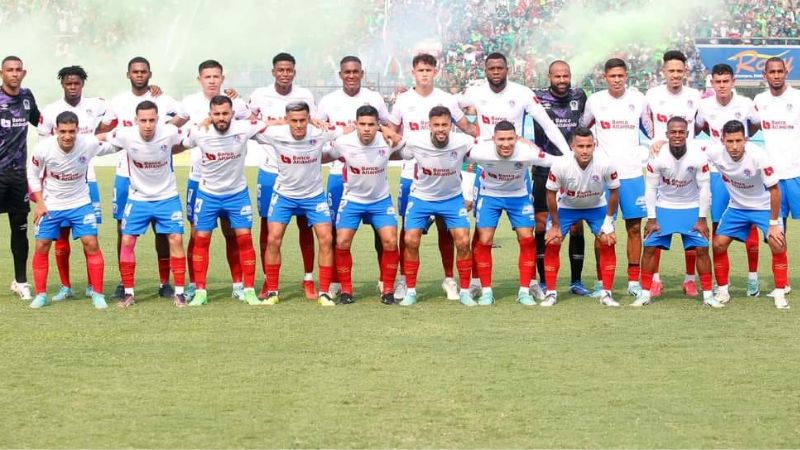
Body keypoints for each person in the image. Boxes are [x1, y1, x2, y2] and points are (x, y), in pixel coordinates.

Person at [461, 53, 571, 297]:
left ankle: (529, 282)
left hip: (518, 168)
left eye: (500, 68)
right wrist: (470, 132)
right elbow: (449, 108)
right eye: (492, 68)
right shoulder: (475, 92)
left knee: (526, 234)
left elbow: (547, 124)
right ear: (485, 70)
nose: (496, 72)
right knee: (482, 232)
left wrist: (568, 154)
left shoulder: (521, 93)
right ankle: (478, 281)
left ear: (507, 69)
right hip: (487, 168)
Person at [388, 53, 477, 302]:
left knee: (446, 230)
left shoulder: (447, 100)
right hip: (411, 175)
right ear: (413, 72)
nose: (425, 74)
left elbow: (466, 129)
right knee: (408, 231)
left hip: (446, 173)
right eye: (420, 70)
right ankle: (405, 281)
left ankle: (450, 279)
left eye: (429, 70)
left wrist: (487, 136)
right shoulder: (403, 100)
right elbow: (393, 134)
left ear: (435, 72)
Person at [98, 56, 188, 300]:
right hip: (125, 174)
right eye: (135, 72)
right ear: (128, 75)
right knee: (123, 229)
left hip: (158, 172)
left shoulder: (162, 98)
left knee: (163, 231)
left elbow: (184, 115)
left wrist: (164, 131)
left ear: (150, 73)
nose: (139, 75)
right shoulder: (118, 101)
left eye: (143, 71)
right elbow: (101, 132)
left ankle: (165, 282)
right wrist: (122, 139)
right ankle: (123, 282)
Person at [315, 55, 391, 295]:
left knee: (382, 233)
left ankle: (384, 280)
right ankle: (337, 282)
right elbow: (320, 130)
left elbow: (387, 127)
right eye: (346, 72)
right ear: (340, 74)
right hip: (339, 175)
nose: (351, 76)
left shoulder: (374, 98)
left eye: (355, 72)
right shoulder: (328, 101)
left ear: (362, 73)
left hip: (371, 173)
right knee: (339, 233)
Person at [27, 111, 116, 309]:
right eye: (63, 131)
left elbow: (113, 142)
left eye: (71, 131)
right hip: (51, 205)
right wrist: (40, 203)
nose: (67, 136)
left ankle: (98, 294)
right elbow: (32, 175)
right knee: (42, 245)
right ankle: (41, 295)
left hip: (80, 203)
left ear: (77, 130)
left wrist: (115, 135)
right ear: (56, 130)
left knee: (91, 244)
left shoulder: (88, 143)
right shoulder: (43, 148)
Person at [180, 96, 264, 306]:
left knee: (244, 238)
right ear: (210, 114)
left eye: (225, 113)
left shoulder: (244, 128)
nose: (221, 118)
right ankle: (200, 291)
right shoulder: (200, 131)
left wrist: (309, 121)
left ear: (232, 114)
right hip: (208, 195)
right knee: (201, 240)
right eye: (216, 114)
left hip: (237, 195)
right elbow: (183, 143)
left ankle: (246, 289)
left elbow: (271, 123)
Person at [248, 52, 318, 300]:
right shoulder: (259, 95)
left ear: (294, 72)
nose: (285, 74)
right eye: (280, 70)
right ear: (273, 72)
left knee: (305, 226)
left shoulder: (305, 96)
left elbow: (314, 124)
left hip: (301, 172)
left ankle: (308, 278)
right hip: (270, 170)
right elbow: (248, 120)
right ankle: (269, 280)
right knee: (268, 228)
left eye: (289, 70)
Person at [633, 117, 721, 308]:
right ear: (667, 134)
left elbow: (705, 189)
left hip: (691, 207)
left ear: (687, 134)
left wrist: (701, 218)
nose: (677, 135)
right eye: (673, 132)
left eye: (681, 132)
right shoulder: (657, 156)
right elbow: (650, 189)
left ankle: (707, 296)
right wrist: (651, 218)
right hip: (664, 207)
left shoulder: (698, 156)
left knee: (702, 249)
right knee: (649, 248)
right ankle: (645, 293)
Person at [469, 121, 560, 306]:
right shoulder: (480, 151)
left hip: (518, 197)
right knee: (484, 240)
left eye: (510, 139)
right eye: (501, 139)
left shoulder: (527, 151)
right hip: (490, 195)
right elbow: (453, 156)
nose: (506, 144)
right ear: (493, 139)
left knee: (527, 239)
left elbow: (554, 160)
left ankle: (524, 291)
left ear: (517, 138)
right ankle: (486, 291)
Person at [260, 102, 342, 306]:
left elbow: (351, 129)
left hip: (313, 197)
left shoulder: (319, 132)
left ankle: (324, 292)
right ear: (287, 120)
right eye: (293, 120)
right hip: (284, 196)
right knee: (273, 240)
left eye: (302, 120)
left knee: (326, 238)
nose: (298, 125)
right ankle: (272, 291)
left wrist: (385, 132)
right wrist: (278, 121)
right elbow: (246, 128)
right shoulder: (276, 133)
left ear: (309, 119)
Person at [37, 65, 106, 301]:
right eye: (68, 83)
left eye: (76, 83)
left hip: (88, 180)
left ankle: (91, 286)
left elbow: (116, 120)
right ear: (62, 84)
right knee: (61, 237)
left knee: (90, 237)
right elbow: (45, 147)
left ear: (82, 84)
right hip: (58, 186)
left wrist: (99, 136)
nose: (73, 87)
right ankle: (65, 286)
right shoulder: (51, 110)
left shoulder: (96, 104)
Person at [704, 120, 789, 309]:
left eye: (738, 141)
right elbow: (687, 148)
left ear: (746, 140)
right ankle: (723, 290)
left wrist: (773, 223)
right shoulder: (714, 153)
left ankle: (780, 292)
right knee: (718, 244)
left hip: (764, 207)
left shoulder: (759, 156)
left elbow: (775, 191)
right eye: (730, 141)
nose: (734, 146)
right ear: (722, 141)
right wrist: (661, 143)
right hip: (737, 207)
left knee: (778, 244)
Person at [581, 58, 647, 298]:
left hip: (632, 174)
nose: (617, 80)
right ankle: (601, 282)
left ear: (626, 76)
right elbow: (582, 130)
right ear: (605, 77)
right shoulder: (595, 101)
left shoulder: (638, 100)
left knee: (634, 229)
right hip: (603, 177)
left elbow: (651, 130)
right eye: (612, 76)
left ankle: (633, 281)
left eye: (621, 76)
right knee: (602, 230)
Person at [397, 106, 475, 306]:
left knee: (463, 241)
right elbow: (396, 150)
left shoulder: (463, 142)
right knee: (410, 240)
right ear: (429, 126)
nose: (441, 129)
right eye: (437, 125)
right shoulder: (415, 140)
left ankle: (464, 290)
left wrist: (468, 194)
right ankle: (411, 291)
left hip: (451, 198)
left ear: (451, 125)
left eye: (445, 125)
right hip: (421, 198)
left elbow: (472, 163)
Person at [695, 63, 760, 296]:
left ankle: (753, 278)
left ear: (733, 82)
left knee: (750, 221)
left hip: (744, 170)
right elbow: (699, 128)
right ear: (712, 83)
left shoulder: (745, 104)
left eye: (726, 81)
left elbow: (753, 127)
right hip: (716, 172)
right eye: (717, 82)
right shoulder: (704, 106)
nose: (721, 86)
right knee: (717, 226)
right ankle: (722, 282)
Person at [326, 105, 400, 305]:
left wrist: (387, 131)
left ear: (378, 126)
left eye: (371, 125)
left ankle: (388, 290)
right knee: (341, 242)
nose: (366, 129)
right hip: (352, 200)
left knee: (391, 242)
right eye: (363, 124)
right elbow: (325, 153)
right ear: (356, 124)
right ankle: (346, 290)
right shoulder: (343, 142)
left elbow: (406, 146)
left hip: (380, 200)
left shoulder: (387, 141)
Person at [643, 50, 702, 298]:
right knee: (657, 223)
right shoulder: (652, 95)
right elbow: (646, 124)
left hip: (688, 165)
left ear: (685, 72)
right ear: (663, 72)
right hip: (660, 163)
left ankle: (690, 279)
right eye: (671, 71)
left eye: (680, 71)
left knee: (691, 223)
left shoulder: (695, 96)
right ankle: (655, 279)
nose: (675, 75)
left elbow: (698, 127)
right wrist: (655, 141)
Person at [544, 127, 620, 307]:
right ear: (572, 147)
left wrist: (608, 222)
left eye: (588, 146)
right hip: (567, 208)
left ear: (595, 145)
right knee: (553, 241)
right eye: (580, 146)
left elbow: (615, 191)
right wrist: (555, 225)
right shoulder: (561, 165)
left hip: (596, 207)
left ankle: (607, 293)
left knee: (608, 241)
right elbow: (550, 194)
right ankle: (551, 293)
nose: (585, 150)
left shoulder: (606, 163)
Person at [534, 60, 590, 296]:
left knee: (576, 225)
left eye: (565, 76)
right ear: (549, 77)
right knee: (541, 223)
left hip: (573, 169)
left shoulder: (580, 95)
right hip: (544, 167)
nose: (562, 80)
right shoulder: (537, 98)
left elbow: (587, 126)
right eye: (557, 76)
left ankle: (576, 281)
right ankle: (544, 281)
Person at [748, 56, 800, 297]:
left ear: (786, 72)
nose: (777, 75)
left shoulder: (797, 98)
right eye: (772, 72)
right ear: (765, 75)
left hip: (798, 173)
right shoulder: (759, 101)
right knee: (777, 230)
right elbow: (747, 129)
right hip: (772, 179)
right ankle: (784, 281)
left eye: (780, 71)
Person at [0, 55, 40, 301]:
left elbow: (43, 123)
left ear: (23, 73)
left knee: (19, 230)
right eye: (9, 70)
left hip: (17, 177)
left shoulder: (27, 97)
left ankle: (21, 281)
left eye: (18, 70)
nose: (14, 74)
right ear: (2, 73)